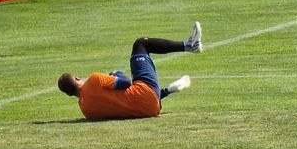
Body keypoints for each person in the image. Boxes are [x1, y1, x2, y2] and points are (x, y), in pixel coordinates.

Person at [58, 22, 203, 120]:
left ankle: (168, 90)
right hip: (148, 94)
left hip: (150, 110)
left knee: (131, 97)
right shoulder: (94, 79)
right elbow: (127, 82)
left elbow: (121, 104)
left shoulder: (86, 111)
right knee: (141, 44)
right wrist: (116, 73)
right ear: (77, 79)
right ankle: (190, 45)